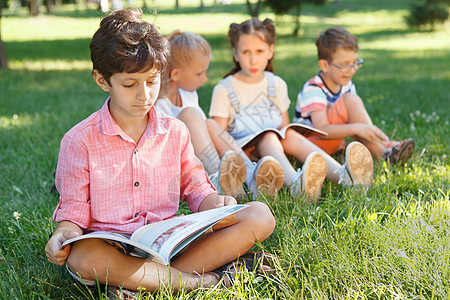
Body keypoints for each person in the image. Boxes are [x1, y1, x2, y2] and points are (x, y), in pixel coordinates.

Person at [45, 9, 276, 295]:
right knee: (83, 257)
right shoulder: (79, 141)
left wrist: (214, 202)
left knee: (260, 215)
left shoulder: (175, 131)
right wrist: (62, 235)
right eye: (130, 84)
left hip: (168, 240)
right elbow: (74, 212)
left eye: (152, 82)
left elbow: (195, 187)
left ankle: (140, 283)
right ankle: (203, 280)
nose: (144, 94)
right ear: (102, 80)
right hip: (111, 246)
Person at [209, 18, 374, 202]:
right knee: (269, 137)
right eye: (246, 52)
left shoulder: (276, 84)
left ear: (270, 51)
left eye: (259, 51)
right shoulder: (224, 89)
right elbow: (221, 137)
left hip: (274, 148)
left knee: (289, 135)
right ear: (236, 54)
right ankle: (297, 184)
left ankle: (344, 176)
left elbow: (285, 126)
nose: (253, 59)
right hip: (244, 153)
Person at [156, 29, 284, 200]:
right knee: (192, 115)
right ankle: (218, 180)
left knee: (208, 123)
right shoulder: (159, 106)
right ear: (176, 75)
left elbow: (204, 136)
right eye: (199, 74)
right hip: (176, 168)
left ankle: (250, 174)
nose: (205, 79)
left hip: (197, 159)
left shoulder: (188, 95)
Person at [294, 26, 414, 166]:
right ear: (325, 66)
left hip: (333, 144)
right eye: (344, 65)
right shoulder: (313, 89)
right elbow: (322, 130)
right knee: (352, 105)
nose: (352, 70)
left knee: (355, 116)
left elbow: (354, 121)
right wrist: (357, 128)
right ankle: (383, 153)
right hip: (309, 147)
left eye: (355, 62)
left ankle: (383, 147)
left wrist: (362, 130)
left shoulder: (347, 85)